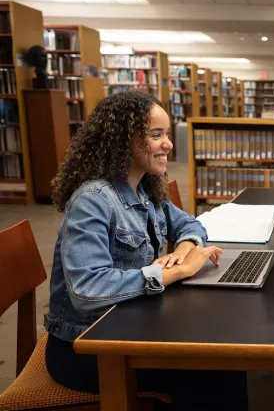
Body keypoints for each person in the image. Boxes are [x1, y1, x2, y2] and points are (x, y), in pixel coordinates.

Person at [45, 91, 248, 410]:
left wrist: (186, 246)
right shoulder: (93, 200)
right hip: (86, 348)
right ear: (122, 140)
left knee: (219, 360)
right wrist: (175, 271)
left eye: (166, 133)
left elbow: (190, 224)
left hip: (128, 327)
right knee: (215, 370)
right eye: (157, 135)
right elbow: (87, 289)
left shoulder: (145, 188)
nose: (168, 144)